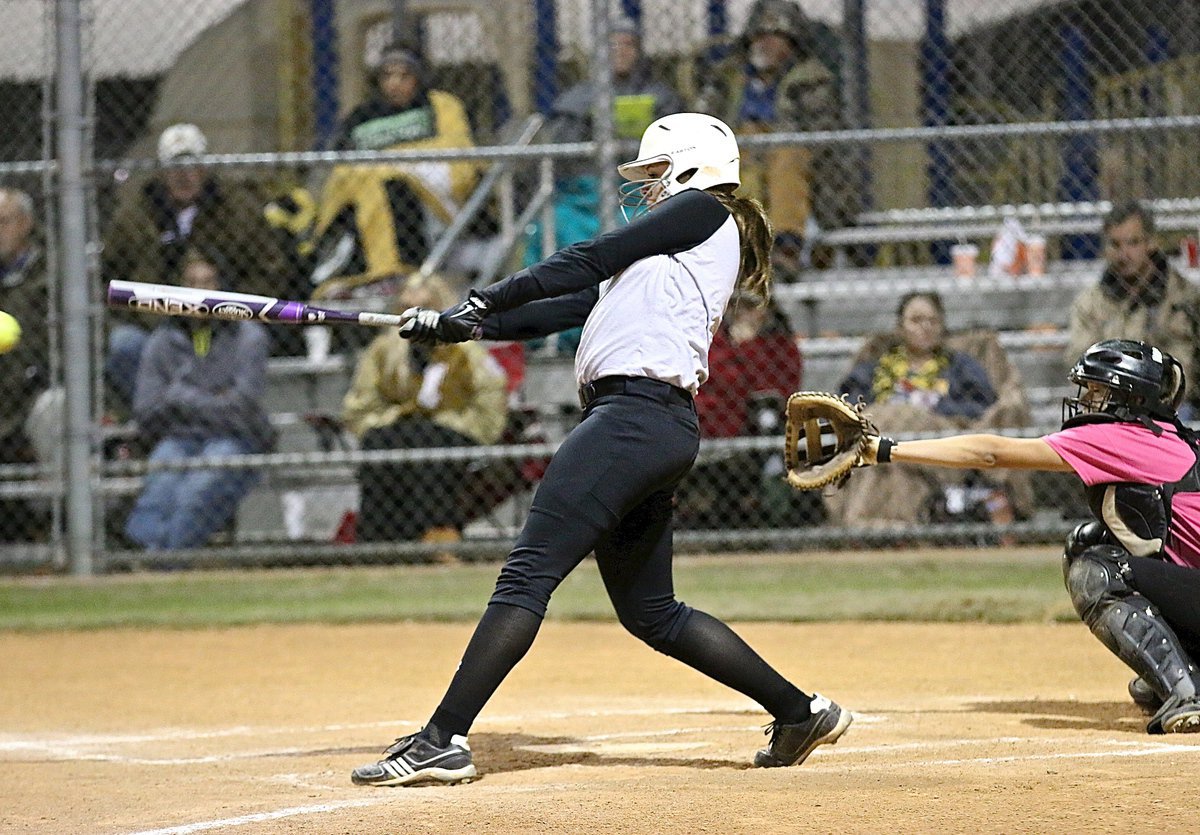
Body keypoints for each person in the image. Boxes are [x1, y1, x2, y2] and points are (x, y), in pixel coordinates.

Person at [348, 112, 852, 788]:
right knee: (653, 613)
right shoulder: (671, 252)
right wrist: (459, 325)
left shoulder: (704, 211)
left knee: (526, 576)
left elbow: (588, 256)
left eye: (653, 175)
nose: (646, 189)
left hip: (632, 419)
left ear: (692, 166)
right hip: (651, 423)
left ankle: (442, 738)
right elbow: (567, 303)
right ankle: (800, 711)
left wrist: (481, 296)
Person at [858, 338, 1200, 734]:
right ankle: (1183, 667)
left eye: (1099, 391)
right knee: (1094, 539)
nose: (1087, 401)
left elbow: (990, 454)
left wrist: (883, 449)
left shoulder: (1120, 437)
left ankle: (1188, 693)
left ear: (1131, 399)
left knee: (1097, 569)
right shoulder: (1170, 437)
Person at [522, 16, 684, 354]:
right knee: (557, 225)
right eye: (612, 45)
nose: (620, 53)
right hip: (585, 191)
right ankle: (567, 331)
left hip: (640, 190)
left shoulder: (660, 97)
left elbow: (676, 149)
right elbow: (564, 158)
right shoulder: (578, 99)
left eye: (628, 45)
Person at [102, 123, 286, 408]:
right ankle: (162, 417)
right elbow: (108, 277)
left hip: (225, 324)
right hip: (157, 327)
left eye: (191, 166)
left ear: (205, 167)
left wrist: (234, 306)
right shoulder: (136, 215)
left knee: (253, 337)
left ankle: (219, 415)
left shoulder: (237, 207)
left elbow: (271, 269)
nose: (183, 176)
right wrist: (139, 311)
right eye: (174, 168)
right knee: (124, 344)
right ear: (161, 172)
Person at [829, 291, 1024, 531]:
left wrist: (932, 407)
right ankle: (889, 527)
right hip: (885, 443)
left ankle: (866, 525)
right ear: (900, 328)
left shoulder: (960, 366)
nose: (925, 328)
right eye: (916, 320)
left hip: (935, 441)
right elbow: (850, 403)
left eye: (932, 321)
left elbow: (981, 406)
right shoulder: (876, 366)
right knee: (888, 449)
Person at [123, 247, 275, 551]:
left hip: (236, 439)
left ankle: (162, 564)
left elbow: (242, 409)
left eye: (208, 283)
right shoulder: (162, 341)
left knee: (198, 490)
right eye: (191, 284)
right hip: (180, 437)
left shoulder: (249, 337)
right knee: (160, 490)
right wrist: (214, 398)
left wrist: (179, 396)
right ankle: (145, 565)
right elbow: (147, 410)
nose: (199, 292)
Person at [692, 0, 857, 275]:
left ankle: (786, 246)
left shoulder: (812, 80)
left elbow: (821, 139)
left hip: (794, 165)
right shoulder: (728, 77)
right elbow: (702, 122)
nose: (765, 44)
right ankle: (744, 249)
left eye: (775, 37)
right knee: (739, 155)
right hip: (741, 157)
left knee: (785, 153)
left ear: (792, 44)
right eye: (759, 36)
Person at [341, 273, 508, 544]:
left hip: (453, 427)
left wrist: (448, 422)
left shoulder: (465, 351)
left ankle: (435, 538)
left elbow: (488, 404)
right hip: (395, 427)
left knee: (428, 442)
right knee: (381, 442)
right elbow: (360, 406)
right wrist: (395, 417)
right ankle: (377, 543)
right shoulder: (384, 351)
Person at [309, 43, 480, 297]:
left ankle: (395, 270)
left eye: (404, 76)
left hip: (427, 199)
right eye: (387, 76)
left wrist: (391, 162)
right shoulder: (363, 116)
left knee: (388, 181)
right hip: (367, 197)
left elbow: (457, 156)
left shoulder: (438, 106)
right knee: (363, 182)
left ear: (419, 77)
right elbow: (340, 168)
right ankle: (361, 273)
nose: (394, 84)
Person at [679, 292, 818, 528]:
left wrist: (746, 347)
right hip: (709, 425)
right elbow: (710, 381)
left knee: (768, 415)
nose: (744, 314)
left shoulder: (779, 344)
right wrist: (735, 346)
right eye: (738, 306)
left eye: (752, 306)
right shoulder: (709, 338)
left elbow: (775, 390)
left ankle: (776, 515)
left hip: (758, 429)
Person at [1065, 201, 1200, 404]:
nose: (1124, 254)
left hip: (1173, 405)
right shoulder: (1089, 303)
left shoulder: (1184, 297)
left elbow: (1184, 368)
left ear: (1151, 242)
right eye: (1115, 244)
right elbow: (1081, 360)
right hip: (1109, 403)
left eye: (1133, 242)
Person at [0, 188, 56, 541]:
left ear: (26, 225)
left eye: (3, 222)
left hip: (35, 388)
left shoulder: (51, 273)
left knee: (55, 408)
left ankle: (64, 527)